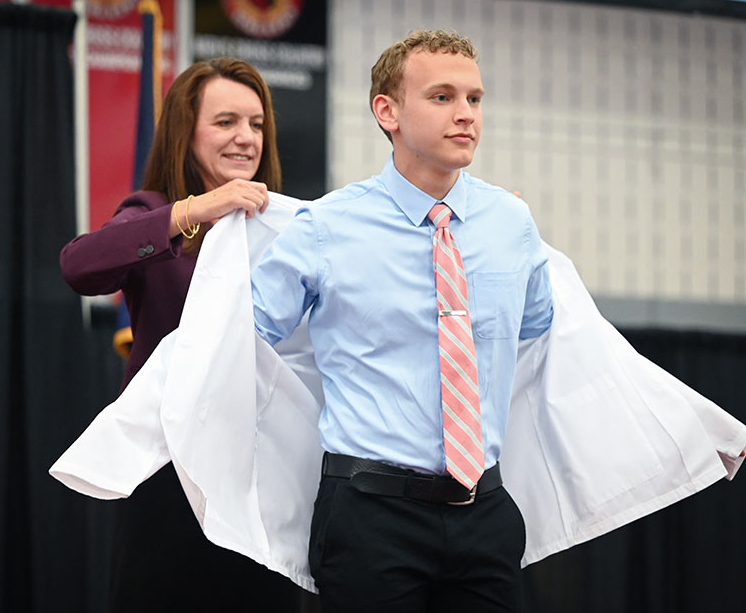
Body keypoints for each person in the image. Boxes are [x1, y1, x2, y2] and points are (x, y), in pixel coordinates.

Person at [250, 30, 553, 611]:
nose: (465, 115)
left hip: (485, 512)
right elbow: (247, 337)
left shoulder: (511, 223)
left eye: (475, 99)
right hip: (370, 515)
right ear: (386, 111)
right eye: (442, 97)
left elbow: (538, 328)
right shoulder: (325, 228)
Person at [59, 58, 304, 611]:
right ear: (184, 132)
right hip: (172, 479)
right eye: (225, 122)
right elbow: (80, 266)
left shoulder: (287, 229)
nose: (245, 138)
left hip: (264, 481)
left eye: (256, 123)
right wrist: (195, 211)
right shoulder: (153, 212)